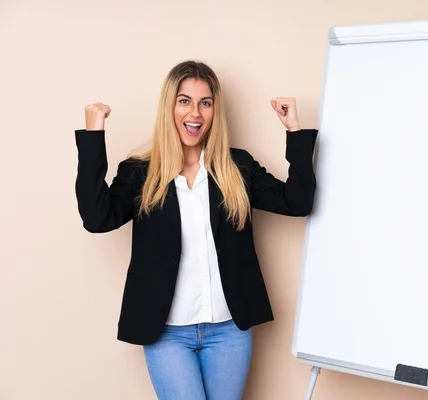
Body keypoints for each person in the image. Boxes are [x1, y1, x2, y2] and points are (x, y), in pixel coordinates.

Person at [74, 60, 318, 400]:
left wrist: (293, 129)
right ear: (169, 106)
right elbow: (97, 218)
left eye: (205, 102)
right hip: (166, 333)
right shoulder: (140, 174)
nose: (196, 113)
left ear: (215, 110)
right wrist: (92, 135)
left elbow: (298, 202)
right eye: (185, 101)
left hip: (229, 331)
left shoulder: (237, 167)